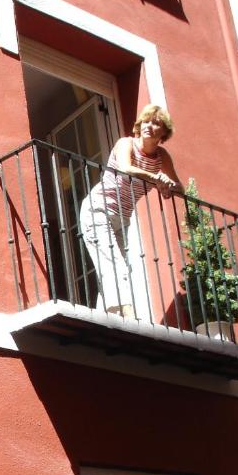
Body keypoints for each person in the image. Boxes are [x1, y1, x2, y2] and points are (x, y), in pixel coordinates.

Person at [78, 104, 181, 319]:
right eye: (146, 120)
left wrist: (167, 186)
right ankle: (125, 313)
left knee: (118, 266)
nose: (149, 126)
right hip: (99, 209)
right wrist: (156, 178)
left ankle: (104, 317)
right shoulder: (126, 143)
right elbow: (126, 168)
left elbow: (178, 186)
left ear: (163, 133)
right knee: (113, 263)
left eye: (156, 123)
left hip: (123, 217)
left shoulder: (162, 157)